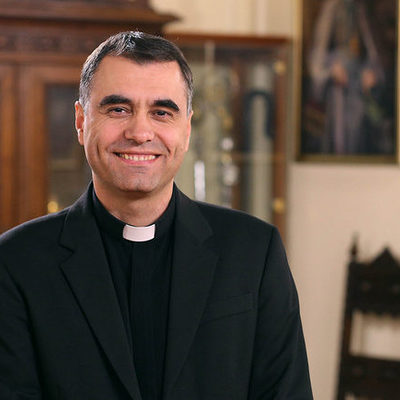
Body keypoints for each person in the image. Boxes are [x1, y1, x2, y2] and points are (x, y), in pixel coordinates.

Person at [0, 31, 313, 399]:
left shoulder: (254, 251)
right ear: (81, 122)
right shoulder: (16, 261)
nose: (140, 132)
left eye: (161, 112)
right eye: (118, 109)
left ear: (187, 128)